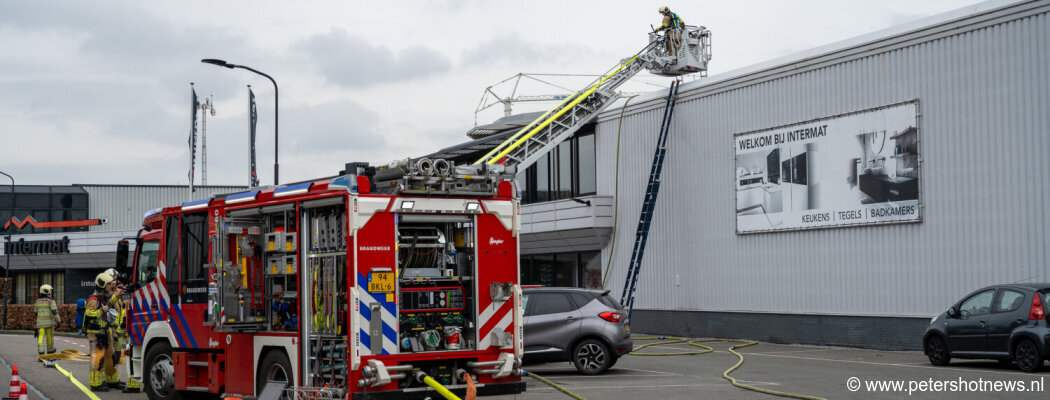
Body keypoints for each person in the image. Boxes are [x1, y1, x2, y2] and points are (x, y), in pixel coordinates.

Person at [84, 272, 116, 391]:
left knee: (107, 356)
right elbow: (89, 313)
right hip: (95, 334)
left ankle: (106, 380)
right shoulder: (94, 299)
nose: (111, 286)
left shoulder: (103, 297)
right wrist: (103, 310)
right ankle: (95, 383)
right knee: (96, 358)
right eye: (108, 284)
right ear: (102, 285)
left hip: (104, 333)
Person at [107, 283, 128, 391]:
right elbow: (110, 303)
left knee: (117, 356)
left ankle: (114, 380)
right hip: (112, 330)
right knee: (112, 356)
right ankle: (110, 380)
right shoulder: (109, 295)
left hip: (119, 331)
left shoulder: (118, 295)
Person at [35, 284, 61, 355]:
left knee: (41, 337)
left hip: (40, 324)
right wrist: (58, 320)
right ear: (46, 291)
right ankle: (50, 350)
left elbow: (36, 312)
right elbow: (54, 311)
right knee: (49, 337)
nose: (51, 291)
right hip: (49, 324)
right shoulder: (51, 301)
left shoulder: (37, 301)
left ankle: (41, 352)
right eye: (50, 290)